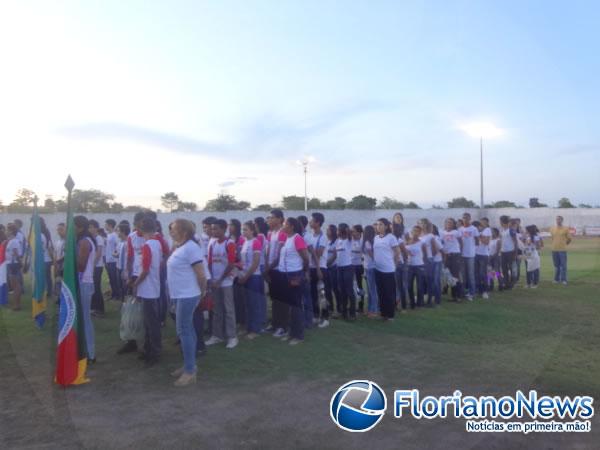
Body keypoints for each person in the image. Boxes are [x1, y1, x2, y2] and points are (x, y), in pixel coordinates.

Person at [167, 219, 208, 387]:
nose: (171, 232)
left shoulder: (191, 248)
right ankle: (189, 365)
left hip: (188, 295)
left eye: (174, 229)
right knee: (187, 330)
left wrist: (201, 293)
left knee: (183, 331)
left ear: (184, 231)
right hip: (180, 294)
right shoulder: (180, 247)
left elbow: (201, 275)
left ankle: (190, 371)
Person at [132, 217, 163, 367]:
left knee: (151, 323)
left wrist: (135, 284)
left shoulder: (148, 245)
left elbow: (144, 270)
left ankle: (154, 352)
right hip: (153, 286)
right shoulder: (157, 243)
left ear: (141, 229)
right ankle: (151, 349)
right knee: (151, 322)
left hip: (147, 288)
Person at [206, 219, 238, 349]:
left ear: (224, 229)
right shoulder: (212, 243)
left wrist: (220, 280)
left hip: (226, 282)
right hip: (215, 282)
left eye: (216, 229)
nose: (213, 231)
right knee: (217, 309)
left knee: (229, 309)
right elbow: (209, 262)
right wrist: (210, 279)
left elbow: (231, 264)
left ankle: (232, 336)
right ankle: (217, 335)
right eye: (212, 228)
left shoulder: (229, 243)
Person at [278, 217, 309, 345]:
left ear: (291, 226)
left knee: (296, 307)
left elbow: (306, 258)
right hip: (285, 274)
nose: (282, 226)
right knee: (289, 306)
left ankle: (298, 335)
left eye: (284, 224)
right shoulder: (287, 238)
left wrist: (303, 273)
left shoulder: (297, 238)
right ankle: (291, 332)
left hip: (294, 274)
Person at [74, 215, 96, 364]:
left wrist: (69, 264)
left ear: (80, 227)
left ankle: (89, 353)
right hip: (84, 282)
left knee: (85, 319)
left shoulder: (84, 242)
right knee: (82, 318)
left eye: (73, 226)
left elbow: (81, 265)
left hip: (84, 282)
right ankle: (86, 351)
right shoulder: (84, 240)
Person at [237, 221, 265, 339]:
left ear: (252, 231)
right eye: (243, 229)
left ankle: (255, 329)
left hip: (254, 276)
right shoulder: (244, 242)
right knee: (247, 303)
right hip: (245, 276)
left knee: (254, 304)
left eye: (246, 229)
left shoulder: (256, 242)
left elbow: (255, 262)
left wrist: (246, 276)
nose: (243, 232)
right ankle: (249, 327)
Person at [265, 209, 288, 337]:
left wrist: (268, 268)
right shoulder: (269, 233)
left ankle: (282, 326)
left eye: (272, 217)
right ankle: (274, 323)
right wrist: (267, 267)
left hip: (280, 270)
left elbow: (279, 254)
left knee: (282, 300)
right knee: (274, 298)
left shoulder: (282, 233)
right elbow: (268, 252)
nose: (269, 219)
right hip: (272, 269)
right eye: (269, 217)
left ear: (279, 219)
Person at [373, 218, 401, 320]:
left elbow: (397, 252)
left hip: (388, 270)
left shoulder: (391, 237)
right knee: (381, 292)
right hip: (377, 269)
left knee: (389, 293)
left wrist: (394, 264)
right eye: (377, 224)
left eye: (380, 224)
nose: (378, 226)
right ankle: (383, 313)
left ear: (386, 226)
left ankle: (390, 315)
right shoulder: (376, 238)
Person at [305, 213, 329, 327]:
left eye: (312, 221)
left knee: (322, 294)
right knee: (313, 294)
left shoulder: (323, 237)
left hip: (321, 268)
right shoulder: (310, 236)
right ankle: (315, 315)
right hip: (311, 268)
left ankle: (325, 318)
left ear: (318, 223)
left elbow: (319, 253)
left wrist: (310, 250)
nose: (310, 223)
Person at [335, 223, 357, 320]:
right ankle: (344, 312)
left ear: (342, 231)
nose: (336, 232)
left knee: (349, 291)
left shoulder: (349, 240)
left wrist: (346, 228)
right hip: (339, 268)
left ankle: (352, 313)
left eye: (338, 230)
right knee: (342, 291)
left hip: (348, 268)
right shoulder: (338, 241)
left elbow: (350, 232)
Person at [441, 218, 463, 302]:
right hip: (447, 256)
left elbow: (461, 243)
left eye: (450, 222)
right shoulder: (442, 233)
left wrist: (459, 253)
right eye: (447, 222)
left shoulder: (456, 232)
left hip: (454, 255)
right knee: (448, 276)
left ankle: (458, 296)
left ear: (454, 224)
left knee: (455, 276)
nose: (448, 224)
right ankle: (454, 296)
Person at [418, 218, 439, 307]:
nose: (420, 225)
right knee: (422, 281)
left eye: (421, 224)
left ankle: (430, 301)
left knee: (429, 281)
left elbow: (436, 249)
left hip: (428, 260)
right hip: (420, 261)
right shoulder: (419, 236)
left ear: (425, 225)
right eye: (419, 224)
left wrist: (429, 257)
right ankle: (422, 300)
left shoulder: (430, 236)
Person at [459, 212, 479, 301]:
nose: (465, 219)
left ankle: (472, 293)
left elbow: (477, 241)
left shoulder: (474, 229)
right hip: (462, 255)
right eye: (463, 218)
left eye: (466, 218)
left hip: (470, 255)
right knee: (463, 275)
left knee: (471, 274)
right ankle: (463, 292)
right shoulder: (460, 229)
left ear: (470, 219)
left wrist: (473, 249)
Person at [406, 225, 426, 308]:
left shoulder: (422, 242)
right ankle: (412, 302)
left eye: (417, 231)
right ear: (411, 232)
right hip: (409, 266)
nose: (415, 232)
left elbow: (425, 254)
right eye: (414, 230)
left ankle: (420, 303)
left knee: (420, 286)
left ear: (420, 233)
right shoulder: (407, 242)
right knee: (409, 285)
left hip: (419, 266)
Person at [88, 220, 105, 317]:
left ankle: (100, 309)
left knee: (97, 288)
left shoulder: (99, 238)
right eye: (89, 227)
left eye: (91, 227)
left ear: (96, 228)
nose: (90, 229)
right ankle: (93, 308)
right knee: (92, 287)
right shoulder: (90, 238)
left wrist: (93, 265)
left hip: (97, 266)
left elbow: (98, 253)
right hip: (91, 266)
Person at [362, 225, 379, 317]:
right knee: (370, 290)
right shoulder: (370, 242)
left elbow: (372, 256)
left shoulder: (367, 242)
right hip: (368, 267)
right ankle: (370, 308)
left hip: (371, 268)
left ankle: (374, 310)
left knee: (372, 290)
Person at [550, 216, 572, 285]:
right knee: (556, 266)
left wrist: (565, 244)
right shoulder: (552, 228)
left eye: (559, 219)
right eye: (557, 219)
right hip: (554, 249)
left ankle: (564, 280)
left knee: (563, 265)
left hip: (562, 249)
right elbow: (552, 238)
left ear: (562, 220)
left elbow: (569, 239)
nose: (558, 221)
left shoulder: (566, 228)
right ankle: (556, 279)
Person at [5, 223, 22, 310]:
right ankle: (16, 304)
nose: (6, 232)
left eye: (7, 230)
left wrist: (20, 263)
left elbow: (16, 253)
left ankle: (17, 305)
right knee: (14, 285)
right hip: (11, 263)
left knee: (15, 286)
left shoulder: (14, 241)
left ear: (11, 231)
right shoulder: (11, 241)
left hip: (13, 264)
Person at [325, 224, 341, 318]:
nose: (327, 232)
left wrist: (327, 264)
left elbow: (335, 255)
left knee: (336, 289)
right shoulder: (327, 241)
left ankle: (339, 309)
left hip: (334, 268)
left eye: (328, 230)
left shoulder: (337, 242)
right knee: (327, 290)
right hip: (327, 268)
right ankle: (330, 308)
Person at [474, 218, 492, 299]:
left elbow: (486, 242)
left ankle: (485, 291)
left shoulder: (487, 230)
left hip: (483, 255)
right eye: (481, 222)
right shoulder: (479, 231)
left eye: (484, 222)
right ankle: (479, 290)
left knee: (483, 274)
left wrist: (479, 237)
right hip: (475, 254)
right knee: (476, 274)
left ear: (487, 223)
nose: (482, 224)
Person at [499, 215, 518, 290]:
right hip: (503, 252)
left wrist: (515, 253)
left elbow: (515, 241)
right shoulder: (502, 230)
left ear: (502, 221)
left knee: (512, 269)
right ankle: (506, 283)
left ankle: (512, 283)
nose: (499, 222)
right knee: (504, 269)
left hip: (510, 252)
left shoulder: (511, 230)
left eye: (500, 221)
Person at [392, 223, 408, 311]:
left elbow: (405, 253)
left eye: (392, 229)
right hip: (391, 265)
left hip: (398, 265)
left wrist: (404, 263)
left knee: (400, 286)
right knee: (395, 286)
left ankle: (402, 305)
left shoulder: (399, 240)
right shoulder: (389, 239)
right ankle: (395, 303)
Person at [104, 219, 120, 300]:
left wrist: (115, 254)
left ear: (110, 225)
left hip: (113, 260)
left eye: (106, 224)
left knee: (114, 279)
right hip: (108, 260)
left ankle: (117, 295)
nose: (105, 226)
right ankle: (113, 294)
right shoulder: (108, 235)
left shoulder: (114, 235)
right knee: (111, 278)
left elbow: (117, 245)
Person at [39, 217, 55, 298]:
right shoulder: (44, 232)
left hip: (45, 259)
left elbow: (48, 247)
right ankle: (48, 291)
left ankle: (48, 291)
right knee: (47, 276)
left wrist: (53, 259)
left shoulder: (42, 234)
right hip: (46, 259)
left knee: (45, 276)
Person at [351, 225, 365, 313]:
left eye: (354, 231)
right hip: (350, 265)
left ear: (359, 232)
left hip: (359, 266)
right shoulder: (350, 240)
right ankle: (352, 305)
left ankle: (361, 306)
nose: (352, 233)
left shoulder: (362, 241)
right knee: (351, 286)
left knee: (359, 287)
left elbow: (362, 253)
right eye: (352, 231)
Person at [116, 222, 130, 301]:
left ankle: (127, 303)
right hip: (118, 267)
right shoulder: (120, 242)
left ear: (123, 232)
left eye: (118, 231)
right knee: (120, 286)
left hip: (125, 268)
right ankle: (122, 302)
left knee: (126, 287)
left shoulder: (129, 243)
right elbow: (117, 253)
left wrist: (127, 269)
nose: (117, 233)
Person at [431, 225, 443, 306]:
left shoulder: (435, 238)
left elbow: (441, 249)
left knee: (436, 280)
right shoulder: (425, 237)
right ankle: (433, 296)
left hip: (437, 261)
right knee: (432, 281)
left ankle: (438, 299)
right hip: (429, 262)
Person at [54, 223, 66, 298]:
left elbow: (67, 255)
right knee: (58, 282)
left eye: (61, 229)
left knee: (64, 284)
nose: (59, 231)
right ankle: (58, 298)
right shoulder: (57, 241)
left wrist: (59, 261)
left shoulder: (68, 241)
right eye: (58, 230)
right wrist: (55, 264)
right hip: (58, 266)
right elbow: (55, 253)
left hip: (64, 267)